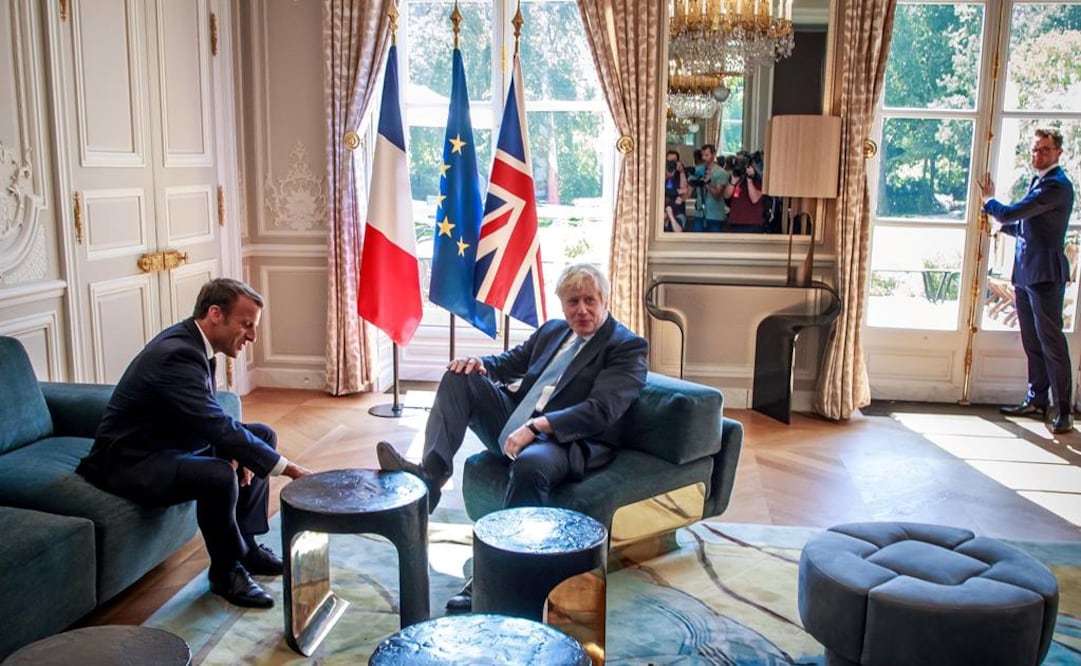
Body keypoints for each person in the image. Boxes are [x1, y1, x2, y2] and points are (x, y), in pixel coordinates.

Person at [376, 263, 648, 612]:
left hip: (567, 439)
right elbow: (509, 362)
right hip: (517, 421)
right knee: (458, 377)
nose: (582, 310)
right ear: (562, 306)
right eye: (573, 302)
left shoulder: (625, 346)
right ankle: (431, 476)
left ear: (605, 301)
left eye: (590, 301)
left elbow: (601, 411)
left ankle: (497, 573)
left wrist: (537, 427)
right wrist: (478, 363)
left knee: (531, 465)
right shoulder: (553, 331)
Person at [77, 278, 313, 608]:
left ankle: (247, 545)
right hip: (131, 461)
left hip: (171, 443)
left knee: (262, 436)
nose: (252, 336)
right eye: (246, 325)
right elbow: (212, 422)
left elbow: (205, 415)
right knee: (217, 475)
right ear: (215, 314)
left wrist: (236, 450)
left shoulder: (197, 344)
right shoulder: (176, 355)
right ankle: (225, 569)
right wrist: (290, 469)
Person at [977, 127, 1076, 434]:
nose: (1038, 155)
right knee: (1032, 342)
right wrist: (999, 228)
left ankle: (1063, 411)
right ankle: (1037, 399)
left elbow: (1011, 214)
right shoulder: (1039, 181)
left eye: (1045, 150)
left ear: (1058, 152)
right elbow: (1026, 228)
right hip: (1025, 273)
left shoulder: (1057, 186)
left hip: (1046, 275)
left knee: (1052, 344)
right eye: (1035, 149)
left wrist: (990, 202)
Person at [724, 151, 766, 233]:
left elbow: (754, 199)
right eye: (737, 162)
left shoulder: (758, 178)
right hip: (735, 223)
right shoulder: (735, 176)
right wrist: (733, 181)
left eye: (742, 162)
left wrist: (749, 179)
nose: (739, 165)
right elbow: (726, 195)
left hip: (752, 224)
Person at [699, 144, 730, 232]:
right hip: (700, 214)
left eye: (706, 155)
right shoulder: (699, 170)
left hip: (715, 216)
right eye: (702, 155)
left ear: (713, 155)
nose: (703, 158)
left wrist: (707, 183)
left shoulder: (721, 172)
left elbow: (717, 195)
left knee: (714, 244)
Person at [664, 150, 690, 232]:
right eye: (668, 161)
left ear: (678, 161)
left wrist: (681, 172)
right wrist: (667, 176)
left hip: (678, 211)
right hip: (664, 212)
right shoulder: (661, 171)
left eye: (673, 161)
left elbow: (685, 190)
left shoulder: (681, 171)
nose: (671, 163)